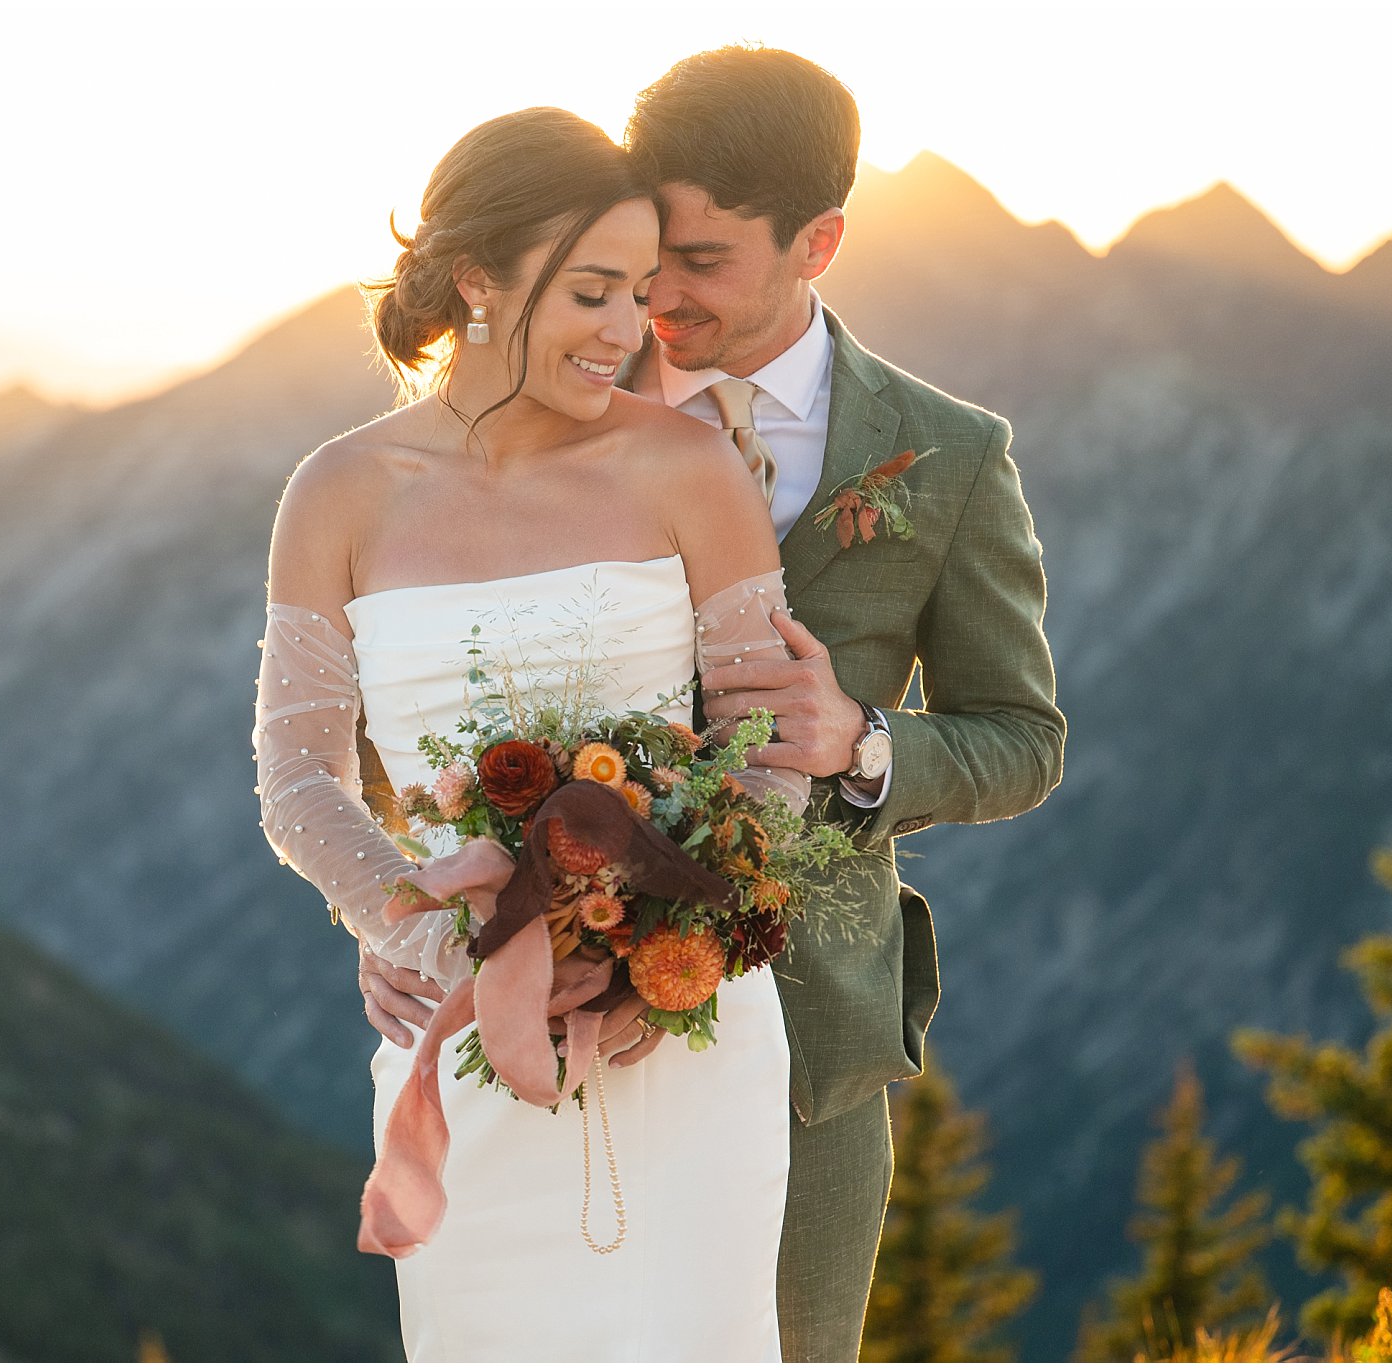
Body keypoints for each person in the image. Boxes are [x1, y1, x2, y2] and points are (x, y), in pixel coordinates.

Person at [358, 46, 1067, 1362]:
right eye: (646, 256)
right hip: (553, 1007)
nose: (658, 299)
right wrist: (416, 900)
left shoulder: (951, 459)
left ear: (822, 242)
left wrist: (864, 747)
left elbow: (1022, 741)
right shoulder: (538, 411)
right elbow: (439, 687)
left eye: (704, 263)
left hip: (811, 1042)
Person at [256, 107, 815, 1360]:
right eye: (592, 292)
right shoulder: (337, 492)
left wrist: (670, 944)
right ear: (476, 281)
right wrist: (425, 927)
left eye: (641, 294)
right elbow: (297, 777)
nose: (627, 331)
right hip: (458, 1037)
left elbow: (765, 736)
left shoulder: (688, 465)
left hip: (684, 1029)